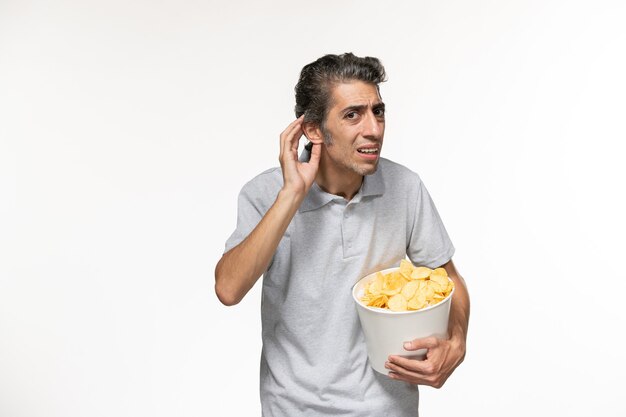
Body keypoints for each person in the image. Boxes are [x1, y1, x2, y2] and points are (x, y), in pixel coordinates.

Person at [215, 53, 470, 416]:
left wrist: (457, 341)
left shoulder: (405, 187)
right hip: (293, 408)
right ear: (314, 130)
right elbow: (228, 288)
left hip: (387, 409)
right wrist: (291, 195)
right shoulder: (264, 194)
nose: (374, 129)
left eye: (378, 111)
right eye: (353, 115)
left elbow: (450, 279)